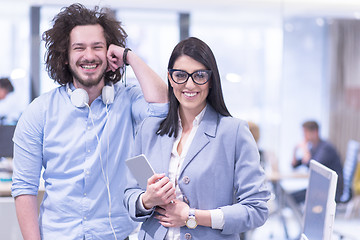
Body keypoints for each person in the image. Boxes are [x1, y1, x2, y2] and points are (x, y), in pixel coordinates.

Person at [11, 4, 168, 240]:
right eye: (79, 48)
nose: (89, 55)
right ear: (65, 56)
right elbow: (24, 187)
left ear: (109, 53)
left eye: (98, 47)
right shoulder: (39, 112)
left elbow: (164, 104)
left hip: (114, 235)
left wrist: (128, 56)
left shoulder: (128, 100)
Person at [124, 37, 270, 240]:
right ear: (170, 78)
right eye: (181, 75)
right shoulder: (149, 129)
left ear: (211, 80)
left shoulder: (234, 132)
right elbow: (130, 194)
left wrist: (191, 216)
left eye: (199, 75)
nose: (190, 84)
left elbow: (256, 209)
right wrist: (147, 200)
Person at [291, 120, 344, 203]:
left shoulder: (326, 148)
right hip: (320, 188)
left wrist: (304, 149)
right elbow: (295, 165)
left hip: (330, 190)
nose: (304, 136)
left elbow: (313, 167)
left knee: (291, 198)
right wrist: (295, 150)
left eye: (305, 133)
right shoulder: (314, 148)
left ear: (315, 132)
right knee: (290, 196)